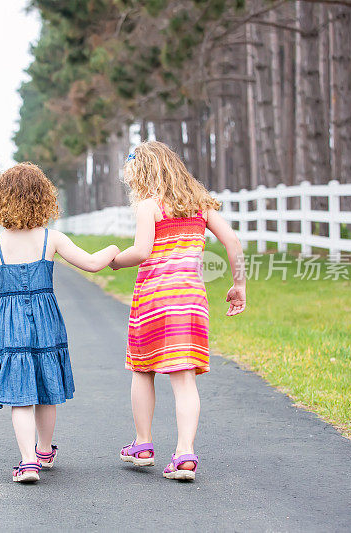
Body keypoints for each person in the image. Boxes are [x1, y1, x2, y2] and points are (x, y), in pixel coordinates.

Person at [0, 162, 120, 483]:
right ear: (43, 198)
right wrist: (114, 248)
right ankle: (44, 451)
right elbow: (91, 264)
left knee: (19, 391)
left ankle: (27, 461)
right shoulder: (52, 238)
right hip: (45, 318)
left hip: (8, 321)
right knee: (45, 387)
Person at [110, 141, 247, 481]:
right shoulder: (202, 206)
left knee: (143, 371)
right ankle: (185, 453)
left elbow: (141, 251)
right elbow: (233, 242)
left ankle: (143, 444)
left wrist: (113, 260)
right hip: (190, 302)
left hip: (154, 301)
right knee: (184, 380)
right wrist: (239, 284)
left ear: (143, 174)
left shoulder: (149, 206)